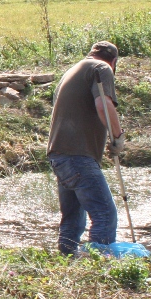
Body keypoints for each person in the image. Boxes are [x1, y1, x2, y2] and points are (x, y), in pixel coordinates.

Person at [47, 41, 126, 255]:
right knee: (104, 214)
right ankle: (98, 268)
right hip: (78, 155)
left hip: (59, 155)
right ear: (114, 61)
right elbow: (104, 105)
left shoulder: (72, 70)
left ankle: (66, 261)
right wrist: (118, 137)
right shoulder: (102, 68)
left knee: (73, 218)